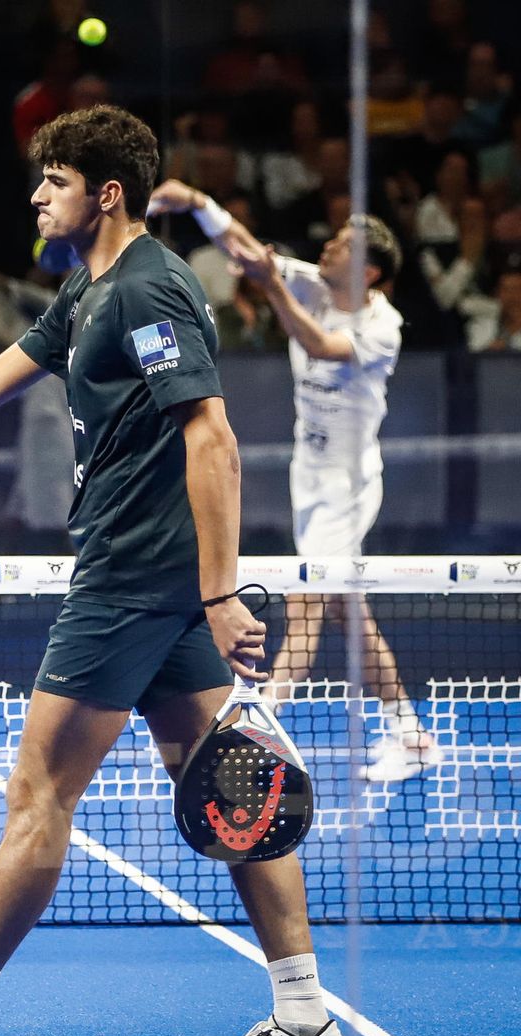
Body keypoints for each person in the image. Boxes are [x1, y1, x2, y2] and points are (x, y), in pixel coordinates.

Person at [0, 105, 347, 1036]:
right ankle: (307, 1022)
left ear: (107, 193)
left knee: (38, 793)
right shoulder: (90, 294)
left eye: (52, 181)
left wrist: (221, 593)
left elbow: (211, 436)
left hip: (135, 580)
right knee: (232, 787)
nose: (35, 194)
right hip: (157, 584)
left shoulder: (148, 290)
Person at [151, 175, 440, 784]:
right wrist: (199, 202)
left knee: (306, 597)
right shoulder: (312, 281)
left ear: (370, 273)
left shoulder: (383, 325)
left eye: (342, 246)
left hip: (348, 486)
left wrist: (275, 289)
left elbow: (320, 343)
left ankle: (256, 718)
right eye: (332, 241)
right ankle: (409, 731)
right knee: (346, 613)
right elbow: (247, 252)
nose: (330, 249)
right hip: (308, 478)